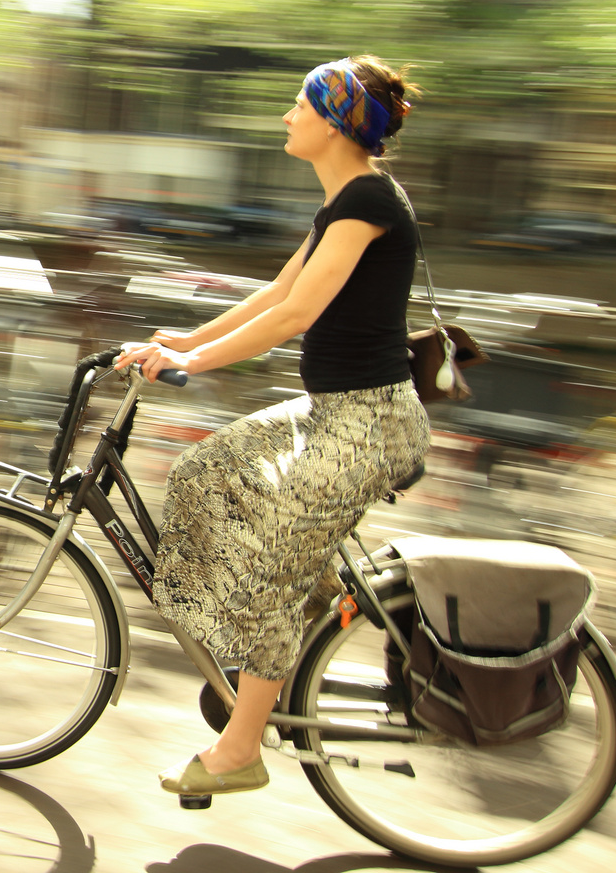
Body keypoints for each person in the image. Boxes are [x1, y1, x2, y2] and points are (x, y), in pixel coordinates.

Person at [115, 55, 432, 798]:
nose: (287, 117)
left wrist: (196, 366)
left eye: (299, 104)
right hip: (334, 413)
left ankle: (240, 749)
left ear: (333, 121)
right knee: (201, 472)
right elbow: (278, 289)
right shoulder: (344, 203)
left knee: (267, 574)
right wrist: (180, 343)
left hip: (372, 424)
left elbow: (296, 316)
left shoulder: (369, 203)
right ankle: (296, 615)